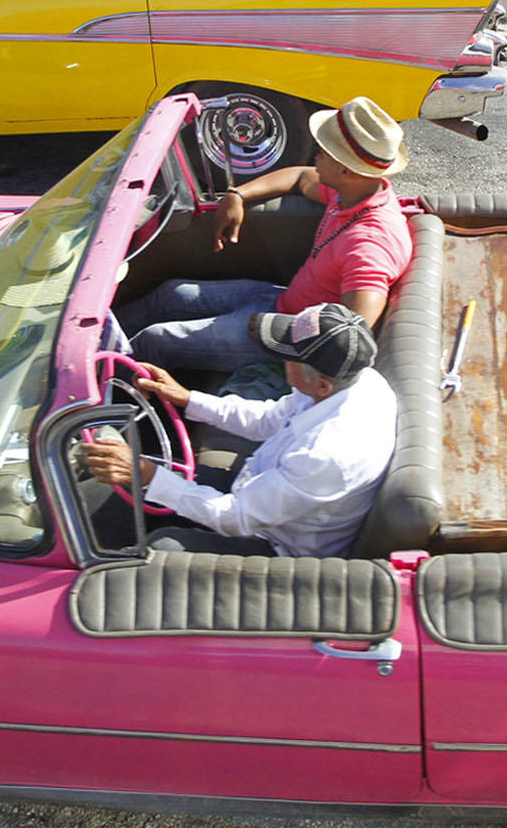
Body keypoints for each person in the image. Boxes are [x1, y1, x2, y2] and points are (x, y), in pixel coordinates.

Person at [116, 95, 413, 373]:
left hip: (283, 337)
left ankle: (91, 385)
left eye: (324, 153)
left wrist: (277, 330)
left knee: (154, 340)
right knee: (173, 294)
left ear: (347, 171)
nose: (316, 157)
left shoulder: (370, 245)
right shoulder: (351, 193)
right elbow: (298, 176)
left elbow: (349, 337)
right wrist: (236, 195)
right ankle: (89, 337)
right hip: (281, 300)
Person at [80, 303, 396, 557]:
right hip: (260, 488)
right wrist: (186, 398)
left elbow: (236, 518)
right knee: (136, 487)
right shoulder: (358, 379)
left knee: (162, 546)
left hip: (276, 545)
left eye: (287, 357)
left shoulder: (325, 455)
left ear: (323, 385)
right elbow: (268, 419)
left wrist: (145, 473)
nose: (278, 358)